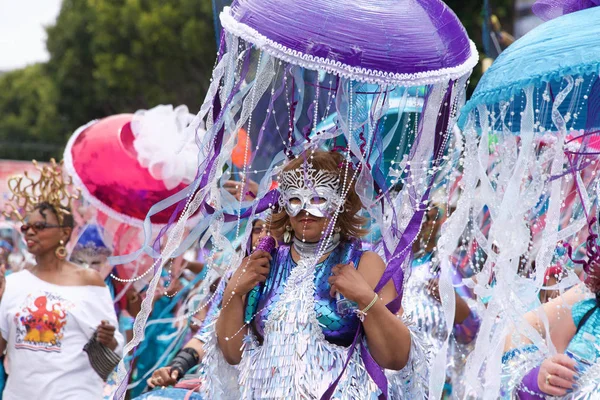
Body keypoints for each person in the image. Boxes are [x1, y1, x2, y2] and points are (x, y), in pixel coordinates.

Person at [204, 151, 427, 399]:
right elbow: (234, 354)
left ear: (340, 203)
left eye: (319, 198)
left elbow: (395, 358)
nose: (305, 210)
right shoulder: (264, 264)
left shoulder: (362, 263)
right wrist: (233, 293)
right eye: (295, 200)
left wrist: (365, 298)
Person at [0, 161, 123, 400]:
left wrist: (107, 338)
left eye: (40, 226)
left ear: (65, 233)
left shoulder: (88, 280)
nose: (30, 232)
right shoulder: (13, 283)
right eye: (26, 227)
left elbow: (114, 342)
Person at [405, 203, 480, 399]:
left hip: (438, 384)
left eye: (433, 217)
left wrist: (449, 298)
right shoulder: (388, 266)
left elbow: (471, 330)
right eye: (423, 217)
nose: (428, 223)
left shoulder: (445, 269)